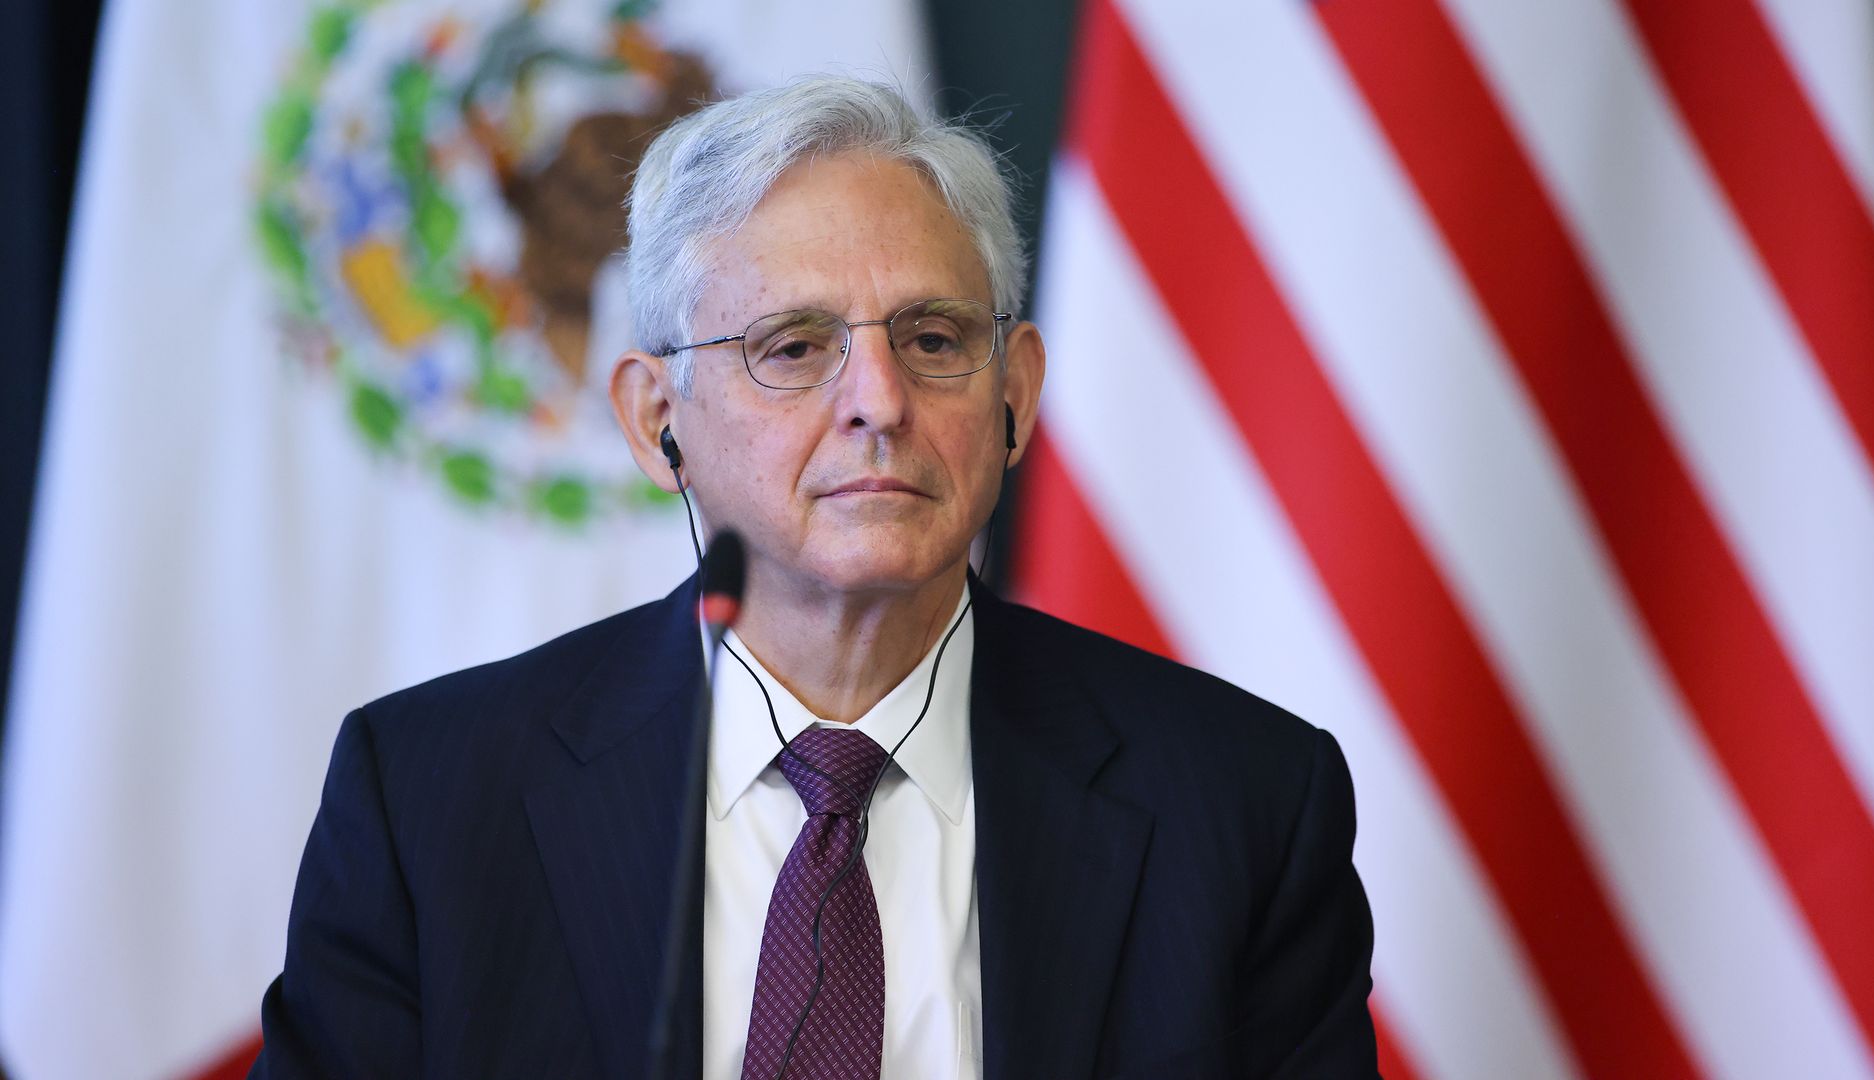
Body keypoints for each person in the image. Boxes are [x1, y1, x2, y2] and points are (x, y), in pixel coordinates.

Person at [251, 76, 1377, 1079]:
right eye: (792, 346)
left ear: (1016, 395)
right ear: (656, 422)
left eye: (934, 339)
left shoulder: (1245, 805)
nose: (879, 401)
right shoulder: (431, 802)